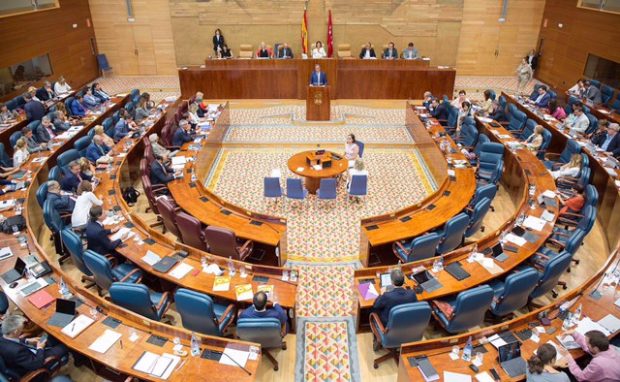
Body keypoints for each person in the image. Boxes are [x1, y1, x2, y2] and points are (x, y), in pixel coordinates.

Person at [0, 314, 69, 378]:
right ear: (15, 331)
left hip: (28, 353)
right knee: (65, 345)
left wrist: (27, 340)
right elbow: (36, 364)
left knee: (50, 336)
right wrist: (40, 348)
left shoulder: (3, 338)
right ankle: (78, 361)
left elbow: (14, 341)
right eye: (22, 328)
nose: (23, 328)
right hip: (35, 360)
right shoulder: (16, 351)